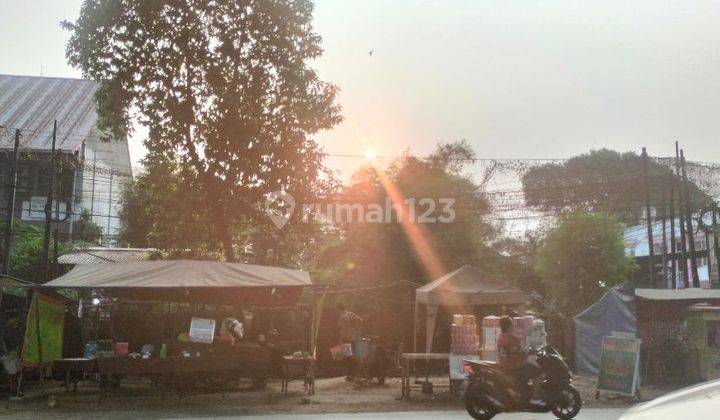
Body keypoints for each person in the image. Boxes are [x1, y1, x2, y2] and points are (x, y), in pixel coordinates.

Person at [497, 315, 543, 404]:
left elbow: (515, 349)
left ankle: (523, 393)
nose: (514, 325)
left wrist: (527, 350)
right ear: (509, 326)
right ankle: (534, 398)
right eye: (512, 323)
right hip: (515, 364)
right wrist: (531, 350)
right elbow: (516, 349)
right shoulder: (510, 337)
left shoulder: (502, 337)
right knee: (539, 373)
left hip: (507, 364)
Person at [337, 303, 362, 380]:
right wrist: (357, 330)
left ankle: (350, 375)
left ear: (339, 309)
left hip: (346, 338)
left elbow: (342, 329)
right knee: (354, 356)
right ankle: (355, 373)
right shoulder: (351, 314)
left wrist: (340, 340)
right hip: (354, 338)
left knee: (348, 357)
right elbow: (361, 320)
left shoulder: (342, 316)